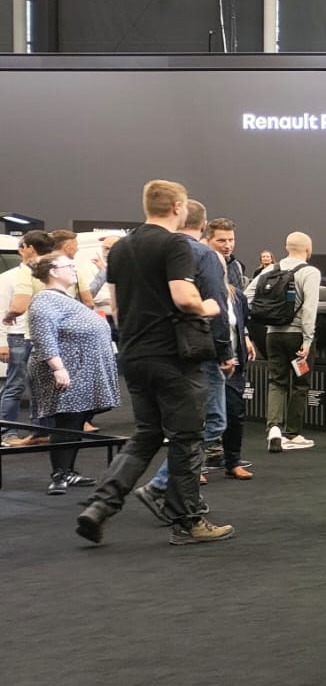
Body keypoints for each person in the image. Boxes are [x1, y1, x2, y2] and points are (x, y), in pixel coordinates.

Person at [73, 180, 236, 546]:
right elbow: (183, 297)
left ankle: (100, 506)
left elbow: (115, 309)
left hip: (134, 353)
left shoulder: (121, 249)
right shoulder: (175, 243)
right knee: (188, 438)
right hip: (174, 356)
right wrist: (209, 306)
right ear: (178, 207)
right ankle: (189, 521)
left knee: (146, 434)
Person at [135, 201, 234, 522]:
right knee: (211, 423)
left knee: (177, 428)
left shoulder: (152, 251)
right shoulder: (204, 256)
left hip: (160, 351)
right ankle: (162, 488)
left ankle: (180, 498)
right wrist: (225, 352)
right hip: (199, 350)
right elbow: (215, 307)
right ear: (204, 226)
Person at [24, 255, 120, 495]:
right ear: (54, 271)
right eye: (69, 266)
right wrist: (58, 368)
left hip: (80, 370)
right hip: (67, 370)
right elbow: (43, 336)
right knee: (67, 420)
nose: (74, 270)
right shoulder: (45, 300)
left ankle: (67, 471)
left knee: (74, 421)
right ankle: (60, 474)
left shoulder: (62, 298)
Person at [253, 231, 321, 453]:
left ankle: (274, 428)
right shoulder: (310, 272)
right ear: (308, 250)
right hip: (298, 336)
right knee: (300, 384)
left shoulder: (270, 270)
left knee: (276, 381)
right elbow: (310, 308)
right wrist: (308, 341)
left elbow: (246, 295)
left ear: (286, 247)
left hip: (272, 334)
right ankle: (292, 433)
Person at [207, 219, 255, 480]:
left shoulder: (237, 293)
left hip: (235, 363)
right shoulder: (201, 293)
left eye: (231, 240)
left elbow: (239, 321)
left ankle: (232, 461)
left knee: (235, 413)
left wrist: (245, 337)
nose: (227, 245)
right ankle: (197, 466)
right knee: (204, 415)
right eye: (221, 240)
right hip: (208, 361)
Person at [1, 228, 56, 447]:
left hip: (39, 336)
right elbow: (3, 311)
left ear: (27, 249)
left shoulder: (45, 275)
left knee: (41, 386)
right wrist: (3, 341)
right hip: (18, 337)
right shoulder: (10, 277)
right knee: (14, 386)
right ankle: (7, 434)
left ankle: (39, 430)